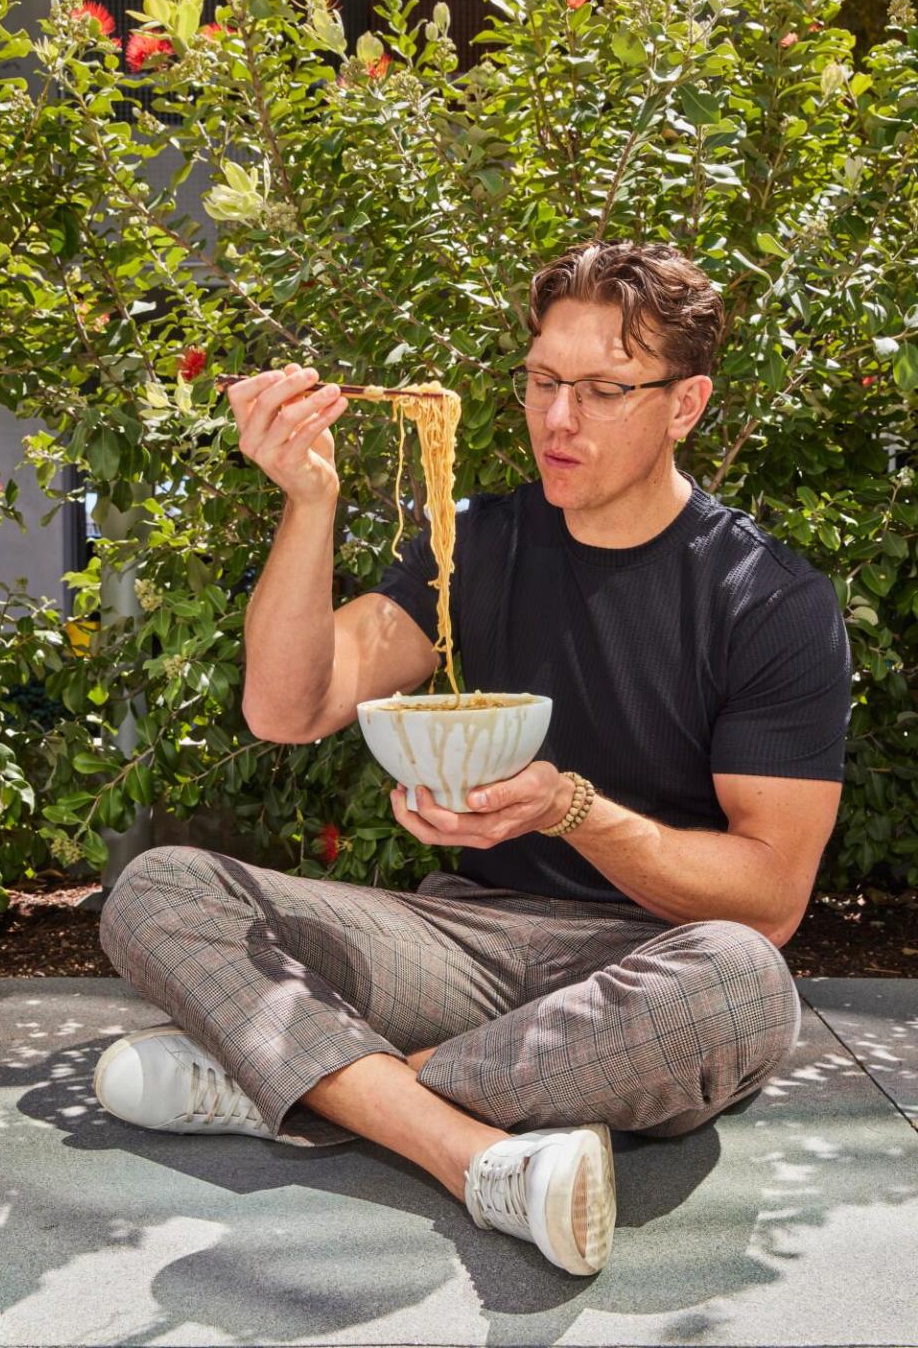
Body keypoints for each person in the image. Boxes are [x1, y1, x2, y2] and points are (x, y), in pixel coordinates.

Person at [94, 239, 853, 1278]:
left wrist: (568, 807)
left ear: (687, 404)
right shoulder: (477, 540)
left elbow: (766, 899)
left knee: (745, 985)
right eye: (542, 379)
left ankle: (312, 1082)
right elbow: (289, 704)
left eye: (603, 389)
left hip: (645, 963)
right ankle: (468, 1149)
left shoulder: (766, 599)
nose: (557, 419)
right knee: (161, 888)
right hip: (459, 942)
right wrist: (307, 499)